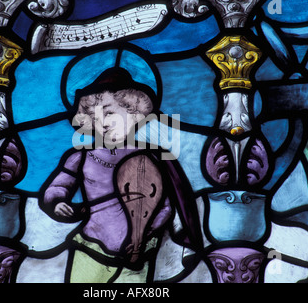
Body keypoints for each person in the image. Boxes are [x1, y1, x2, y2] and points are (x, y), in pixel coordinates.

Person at [40, 63, 202, 283]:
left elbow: (165, 206)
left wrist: (142, 235)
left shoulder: (152, 157)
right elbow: (59, 186)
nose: (103, 123)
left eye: (109, 114)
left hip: (139, 252)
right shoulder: (82, 156)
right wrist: (57, 202)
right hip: (91, 245)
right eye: (95, 118)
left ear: (134, 113)